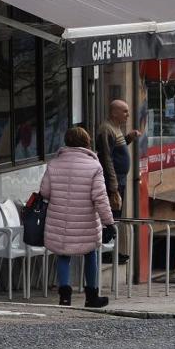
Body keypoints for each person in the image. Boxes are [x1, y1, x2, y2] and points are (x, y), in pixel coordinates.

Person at [39, 126, 116, 307]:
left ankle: (64, 297)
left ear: (66, 142)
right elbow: (100, 197)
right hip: (85, 220)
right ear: (87, 143)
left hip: (60, 220)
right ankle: (91, 297)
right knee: (90, 254)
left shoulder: (54, 164)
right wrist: (109, 222)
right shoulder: (94, 166)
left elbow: (45, 192)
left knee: (63, 255)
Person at [96, 99, 142, 218]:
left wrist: (129, 138)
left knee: (117, 213)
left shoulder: (116, 127)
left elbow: (116, 150)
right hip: (113, 182)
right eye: (125, 111)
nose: (128, 115)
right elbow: (106, 157)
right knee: (113, 216)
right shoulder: (107, 129)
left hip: (120, 180)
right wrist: (113, 185)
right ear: (114, 113)